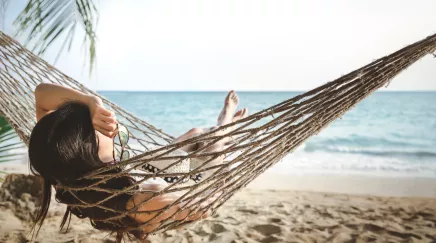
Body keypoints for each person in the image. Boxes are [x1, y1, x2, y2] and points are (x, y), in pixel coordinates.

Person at [29, 83, 247, 241]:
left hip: (145, 170)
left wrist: (91, 103)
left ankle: (223, 127)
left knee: (196, 133)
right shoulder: (140, 197)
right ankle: (226, 124)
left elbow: (41, 94)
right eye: (112, 134)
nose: (115, 131)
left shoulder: (57, 158)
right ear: (89, 149)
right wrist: (198, 195)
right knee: (212, 150)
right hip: (190, 182)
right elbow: (202, 206)